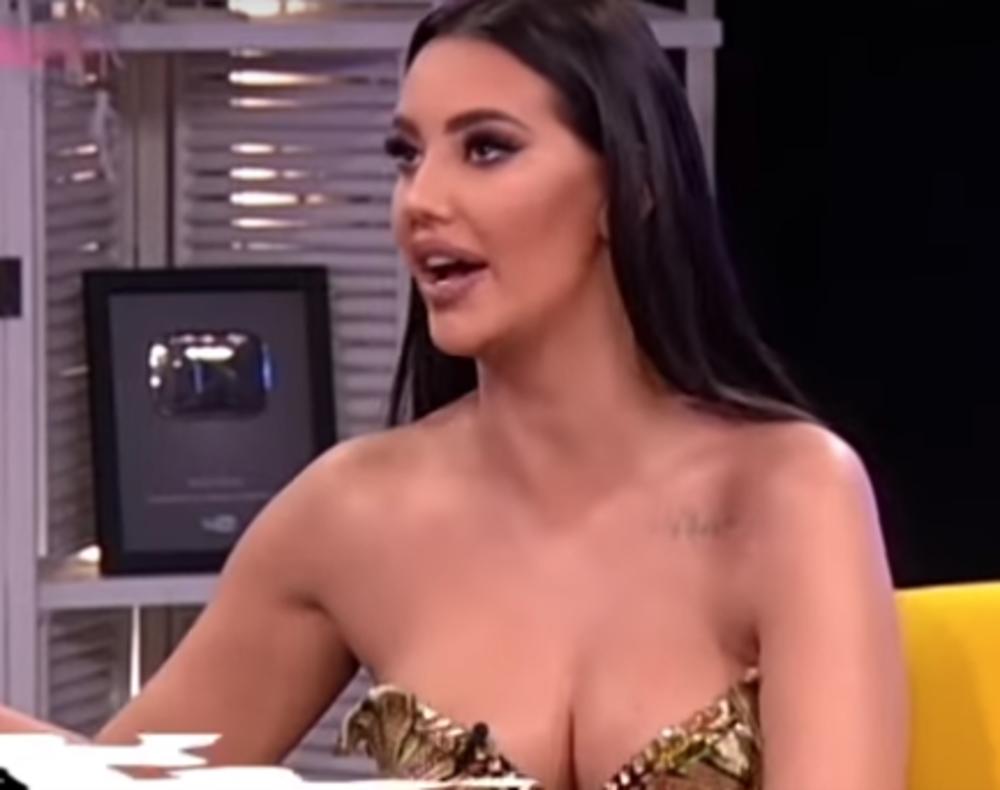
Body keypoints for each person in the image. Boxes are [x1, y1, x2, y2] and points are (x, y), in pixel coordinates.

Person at [1, 1, 908, 788]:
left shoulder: (791, 495)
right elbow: (128, 784)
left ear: (627, 187)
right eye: (407, 156)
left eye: (486, 148)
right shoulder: (350, 515)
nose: (420, 200)